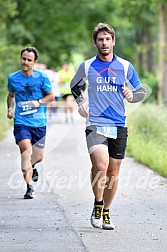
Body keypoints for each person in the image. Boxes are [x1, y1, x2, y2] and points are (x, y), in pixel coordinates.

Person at [70, 23, 146, 230]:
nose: (104, 43)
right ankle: (97, 203)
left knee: (113, 172)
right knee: (101, 165)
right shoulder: (86, 66)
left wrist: (131, 95)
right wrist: (80, 102)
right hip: (95, 123)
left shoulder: (125, 66)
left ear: (113, 41)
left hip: (119, 124)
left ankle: (106, 212)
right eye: (100, 39)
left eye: (107, 39)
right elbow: (74, 85)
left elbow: (140, 91)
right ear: (95, 42)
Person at [7, 47, 54, 199]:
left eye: (29, 60)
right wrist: (10, 108)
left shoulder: (42, 77)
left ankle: (32, 167)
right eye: (23, 59)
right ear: (20, 58)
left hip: (39, 122)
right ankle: (29, 187)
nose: (25, 62)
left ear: (34, 62)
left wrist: (39, 101)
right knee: (25, 150)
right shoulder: (13, 78)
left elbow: (51, 96)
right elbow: (11, 95)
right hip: (21, 121)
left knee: (38, 157)